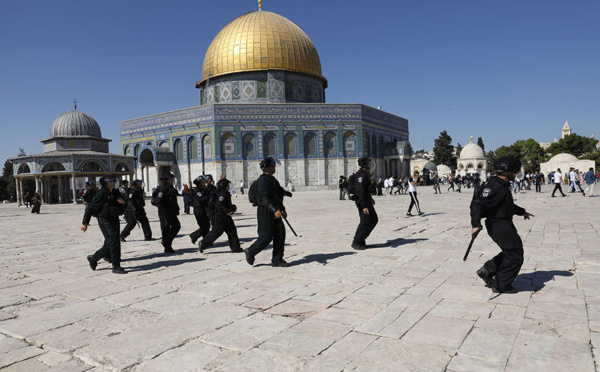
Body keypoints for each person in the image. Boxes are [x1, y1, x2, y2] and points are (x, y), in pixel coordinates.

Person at [470, 156, 534, 294]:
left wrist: (522, 212)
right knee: (515, 254)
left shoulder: (501, 185)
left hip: (503, 222)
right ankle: (501, 284)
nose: (515, 174)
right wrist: (475, 224)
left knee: (511, 250)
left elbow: (507, 205)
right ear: (505, 172)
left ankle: (487, 270)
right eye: (513, 171)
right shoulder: (494, 186)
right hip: (497, 224)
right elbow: (477, 204)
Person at [245, 157, 291, 267]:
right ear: (268, 167)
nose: (274, 167)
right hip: (265, 211)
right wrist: (274, 210)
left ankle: (277, 259)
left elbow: (278, 196)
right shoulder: (262, 181)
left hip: (275, 210)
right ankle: (251, 251)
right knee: (266, 236)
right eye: (273, 165)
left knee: (280, 234)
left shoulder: (273, 180)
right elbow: (264, 199)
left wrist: (282, 209)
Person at [81, 175, 127, 274]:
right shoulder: (101, 194)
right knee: (113, 239)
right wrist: (85, 223)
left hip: (114, 218)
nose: (113, 183)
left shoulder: (115, 192)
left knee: (112, 241)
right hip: (104, 219)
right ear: (105, 183)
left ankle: (94, 258)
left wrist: (123, 203)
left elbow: (124, 203)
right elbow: (90, 208)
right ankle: (116, 266)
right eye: (111, 181)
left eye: (114, 181)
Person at [198, 178, 241, 253]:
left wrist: (232, 208)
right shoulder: (222, 194)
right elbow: (218, 205)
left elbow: (226, 204)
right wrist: (226, 212)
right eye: (227, 185)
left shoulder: (225, 193)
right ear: (224, 186)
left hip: (225, 215)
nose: (228, 187)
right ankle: (203, 243)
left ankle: (235, 247)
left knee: (232, 230)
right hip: (220, 215)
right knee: (217, 231)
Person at [351, 157, 378, 250]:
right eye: (369, 163)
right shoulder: (361, 176)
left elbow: (366, 190)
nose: (370, 165)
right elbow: (360, 192)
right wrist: (364, 206)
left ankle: (362, 239)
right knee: (365, 221)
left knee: (374, 219)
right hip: (362, 202)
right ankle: (356, 241)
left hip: (367, 201)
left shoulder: (365, 175)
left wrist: (370, 198)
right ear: (365, 165)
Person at [152, 173, 181, 253]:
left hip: (171, 212)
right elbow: (157, 202)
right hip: (164, 212)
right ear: (166, 180)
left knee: (177, 226)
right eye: (170, 179)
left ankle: (166, 242)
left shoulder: (171, 188)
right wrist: (164, 210)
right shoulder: (162, 189)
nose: (172, 181)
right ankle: (167, 247)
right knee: (166, 229)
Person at [189, 176, 211, 244]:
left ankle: (206, 240)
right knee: (203, 226)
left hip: (203, 209)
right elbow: (202, 199)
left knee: (207, 225)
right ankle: (194, 235)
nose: (204, 183)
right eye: (203, 182)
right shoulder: (196, 190)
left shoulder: (202, 189)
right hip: (198, 210)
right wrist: (208, 197)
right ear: (199, 183)